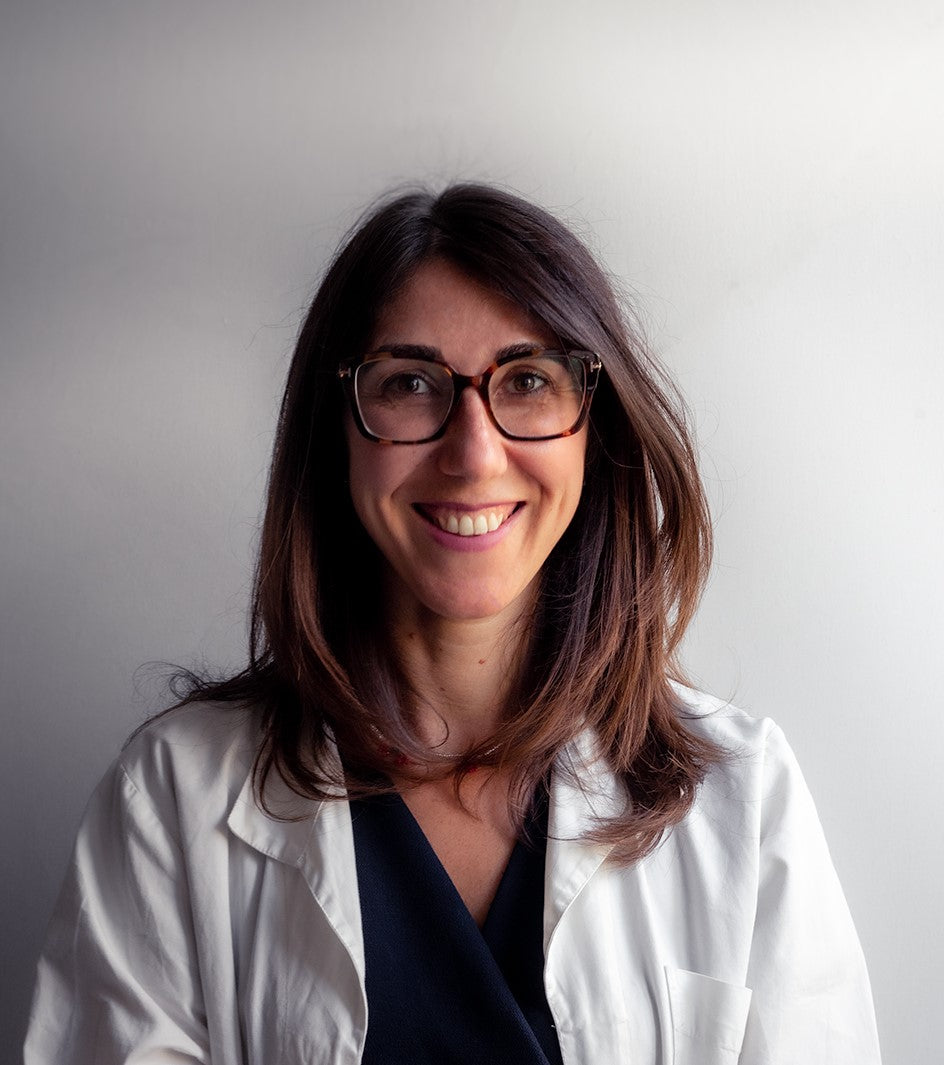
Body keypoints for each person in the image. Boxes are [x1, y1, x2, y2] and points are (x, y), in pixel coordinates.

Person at [25, 184, 882, 1064]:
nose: (473, 454)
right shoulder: (175, 800)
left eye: (528, 380)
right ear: (337, 429)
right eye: (409, 383)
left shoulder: (744, 799)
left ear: (595, 430)